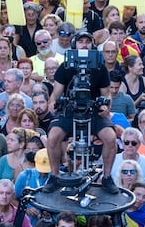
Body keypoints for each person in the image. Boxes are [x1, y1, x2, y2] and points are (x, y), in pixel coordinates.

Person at [43, 31, 119, 194]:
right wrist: (53, 102)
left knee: (111, 138)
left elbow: (106, 94)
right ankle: (54, 176)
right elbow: (56, 93)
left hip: (93, 110)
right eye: (80, 42)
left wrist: (107, 106)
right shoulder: (65, 67)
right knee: (53, 137)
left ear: (92, 45)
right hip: (70, 110)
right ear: (74, 45)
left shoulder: (100, 67)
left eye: (87, 41)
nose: (84, 44)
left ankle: (106, 178)